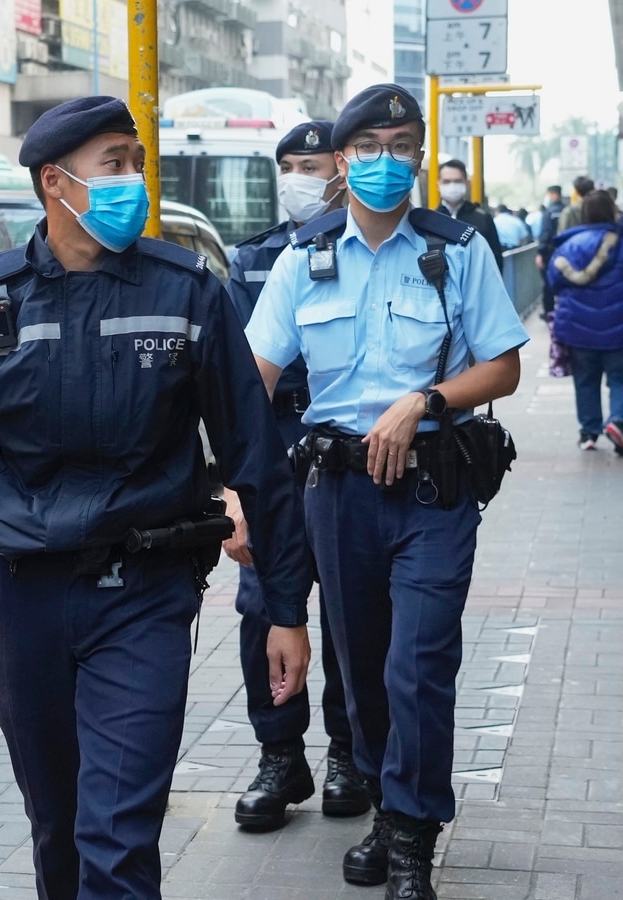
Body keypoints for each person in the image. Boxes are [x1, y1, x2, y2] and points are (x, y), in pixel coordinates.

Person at [0, 96, 315, 899]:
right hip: (23, 601)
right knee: (57, 830)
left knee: (118, 839)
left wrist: (287, 609)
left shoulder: (187, 292)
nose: (135, 181)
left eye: (137, 163)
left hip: (145, 597)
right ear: (57, 184)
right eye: (115, 165)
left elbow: (257, 461)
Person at [246, 84, 528, 900]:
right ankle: (381, 799)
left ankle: (411, 835)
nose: (386, 161)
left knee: (419, 665)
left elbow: (504, 365)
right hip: (335, 494)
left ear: (417, 155)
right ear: (342, 162)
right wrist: (234, 489)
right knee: (362, 671)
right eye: (368, 148)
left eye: (402, 145)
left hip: (433, 490)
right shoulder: (305, 259)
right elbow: (249, 384)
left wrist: (427, 400)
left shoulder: (456, 249)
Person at [223, 120, 367, 832]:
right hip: (273, 450)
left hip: (345, 449)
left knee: (347, 612)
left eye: (310, 164)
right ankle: (280, 753)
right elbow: (230, 374)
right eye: (288, 166)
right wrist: (228, 485)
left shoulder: (368, 245)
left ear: (340, 169)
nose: (299, 179)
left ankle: (347, 751)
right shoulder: (251, 260)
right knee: (262, 609)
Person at [546, 189, 623, 456]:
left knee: (586, 380)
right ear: (612, 211)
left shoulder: (568, 246)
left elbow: (554, 282)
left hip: (578, 328)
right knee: (621, 378)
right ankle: (616, 422)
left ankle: (589, 433)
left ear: (584, 214)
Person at [435, 159, 504, 272]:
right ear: (438, 185)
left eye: (457, 181)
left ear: (467, 183)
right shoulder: (430, 219)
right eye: (446, 182)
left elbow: (496, 260)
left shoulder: (482, 218)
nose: (452, 186)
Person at [537, 184, 570, 317]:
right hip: (567, 252)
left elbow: (545, 233)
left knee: (548, 282)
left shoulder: (549, 212)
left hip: (550, 253)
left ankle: (549, 311)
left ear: (553, 194)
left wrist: (540, 253)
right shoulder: (567, 210)